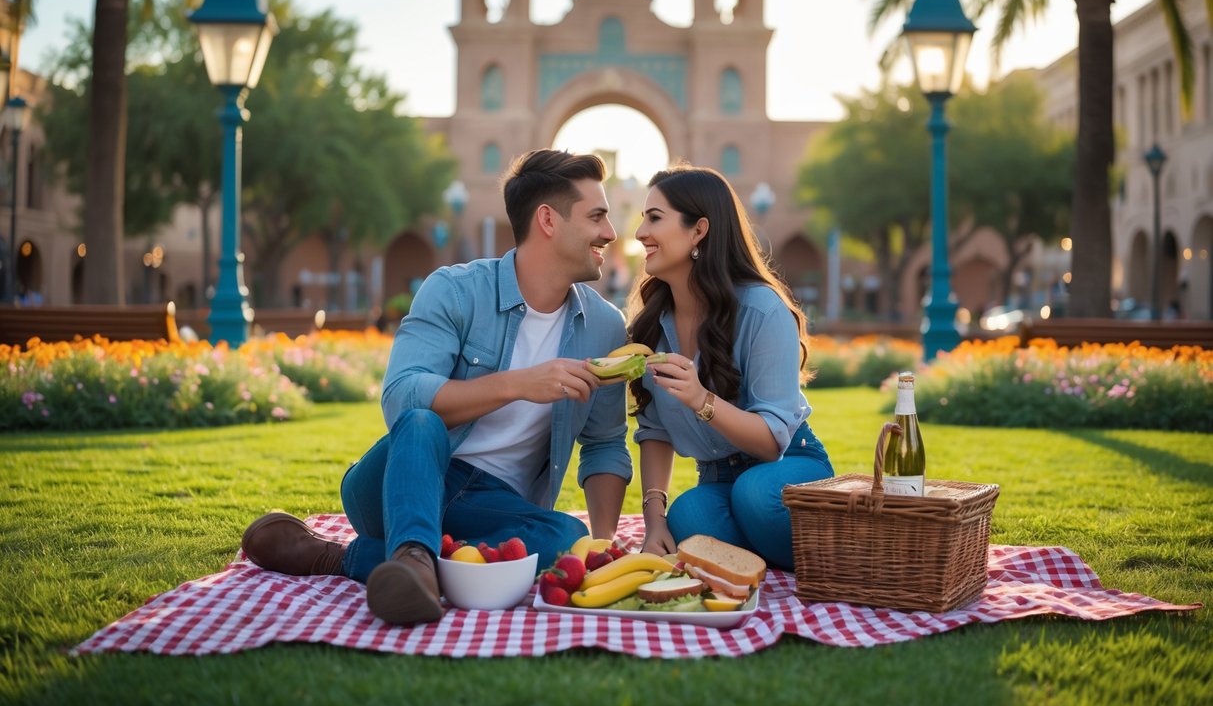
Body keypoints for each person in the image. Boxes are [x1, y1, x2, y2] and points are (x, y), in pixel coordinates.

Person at [240, 150, 632, 625]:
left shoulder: (606, 327)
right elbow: (403, 396)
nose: (611, 233)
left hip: (496, 508)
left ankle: (363, 561)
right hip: (405, 476)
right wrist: (518, 384)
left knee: (567, 539)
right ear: (548, 220)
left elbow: (606, 444)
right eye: (597, 216)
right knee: (423, 420)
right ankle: (403, 555)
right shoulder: (455, 290)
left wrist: (602, 549)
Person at [628, 165, 832, 570]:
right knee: (689, 516)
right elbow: (653, 432)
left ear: (698, 230)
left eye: (655, 218)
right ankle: (772, 559)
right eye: (642, 219)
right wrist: (654, 523)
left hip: (786, 467)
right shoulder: (652, 326)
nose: (639, 234)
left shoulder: (761, 309)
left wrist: (701, 399)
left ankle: (830, 551)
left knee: (755, 495)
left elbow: (772, 441)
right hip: (718, 480)